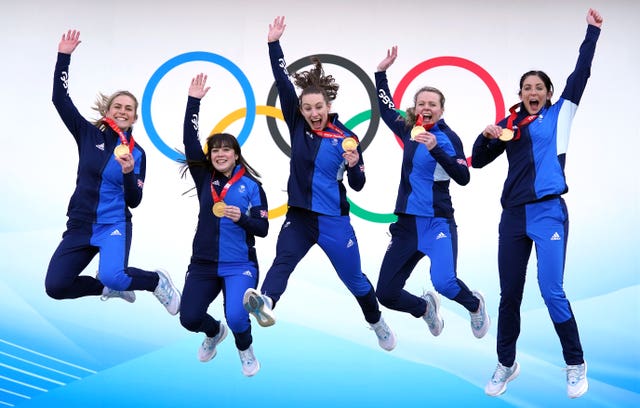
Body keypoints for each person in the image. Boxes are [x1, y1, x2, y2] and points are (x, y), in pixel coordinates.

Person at [243, 16, 396, 351]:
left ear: (329, 107)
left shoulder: (347, 138)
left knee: (354, 280)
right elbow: (283, 81)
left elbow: (358, 185)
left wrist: (355, 166)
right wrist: (273, 44)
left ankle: (376, 321)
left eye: (318, 107)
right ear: (300, 109)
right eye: (307, 107)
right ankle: (266, 302)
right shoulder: (297, 124)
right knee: (282, 261)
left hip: (333, 221)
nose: (313, 112)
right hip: (299, 217)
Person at [471, 8, 603, 399]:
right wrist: (487, 135)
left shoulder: (560, 115)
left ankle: (576, 364)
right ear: (521, 94)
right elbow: (477, 161)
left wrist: (591, 33)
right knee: (509, 294)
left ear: (547, 94)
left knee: (551, 291)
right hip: (512, 216)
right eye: (526, 87)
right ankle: (506, 364)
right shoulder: (510, 126)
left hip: (547, 212)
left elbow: (580, 75)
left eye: (538, 87)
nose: (532, 92)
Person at [45, 29, 180, 317]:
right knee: (56, 286)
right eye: (117, 106)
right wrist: (63, 57)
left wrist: (130, 172)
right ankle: (108, 289)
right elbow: (60, 99)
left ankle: (156, 281)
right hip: (80, 224)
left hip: (113, 225)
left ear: (134, 117)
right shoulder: (87, 133)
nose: (122, 111)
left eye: (128, 109)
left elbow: (135, 201)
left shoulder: (138, 152)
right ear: (108, 110)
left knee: (114, 274)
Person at [374, 47, 490, 341]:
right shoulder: (409, 129)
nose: (426, 107)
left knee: (445, 282)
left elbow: (463, 177)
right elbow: (386, 108)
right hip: (406, 225)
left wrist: (435, 148)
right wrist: (380, 73)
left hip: (437, 222)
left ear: (441, 109)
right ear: (414, 108)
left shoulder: (448, 138)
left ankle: (475, 305)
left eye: (432, 104)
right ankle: (424, 308)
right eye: (421, 103)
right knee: (386, 293)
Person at [178, 73, 269, 377]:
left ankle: (245, 348)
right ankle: (213, 332)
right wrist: (194, 103)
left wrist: (240, 218)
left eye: (225, 149)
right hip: (203, 263)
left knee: (238, 317)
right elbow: (190, 142)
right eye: (215, 149)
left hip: (238, 264)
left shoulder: (253, 186)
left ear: (236, 154)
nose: (219, 153)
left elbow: (263, 228)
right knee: (189, 318)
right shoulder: (204, 178)